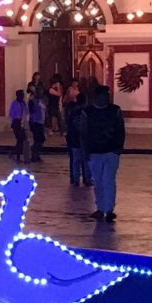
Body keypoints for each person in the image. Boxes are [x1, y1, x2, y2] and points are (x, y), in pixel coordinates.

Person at [83, 82, 125, 221]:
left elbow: (120, 130)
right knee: (98, 182)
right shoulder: (88, 112)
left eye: (107, 96)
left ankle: (108, 209)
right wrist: (85, 150)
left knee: (109, 181)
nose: (105, 99)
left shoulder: (115, 110)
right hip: (95, 152)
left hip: (111, 151)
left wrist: (118, 148)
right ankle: (100, 208)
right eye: (103, 96)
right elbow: (83, 133)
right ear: (96, 97)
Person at [64, 84, 92, 187]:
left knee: (75, 160)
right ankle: (87, 178)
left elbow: (68, 123)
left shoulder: (71, 109)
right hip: (83, 138)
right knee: (86, 160)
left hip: (73, 137)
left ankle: (75, 179)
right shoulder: (86, 111)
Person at [28, 87, 48, 162]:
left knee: (40, 139)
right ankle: (34, 154)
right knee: (39, 138)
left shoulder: (41, 101)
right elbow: (31, 109)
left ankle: (36, 153)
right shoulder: (33, 101)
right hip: (35, 122)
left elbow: (44, 110)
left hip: (40, 122)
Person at [7, 89, 27, 163]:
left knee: (22, 140)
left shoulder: (24, 103)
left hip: (21, 122)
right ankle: (17, 155)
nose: (22, 96)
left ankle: (15, 153)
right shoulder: (14, 103)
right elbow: (11, 114)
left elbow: (26, 112)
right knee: (19, 139)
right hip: (16, 123)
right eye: (21, 95)